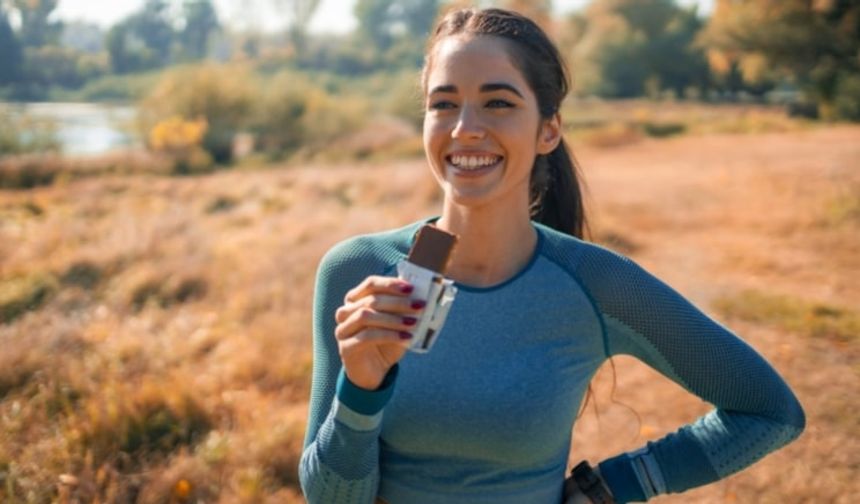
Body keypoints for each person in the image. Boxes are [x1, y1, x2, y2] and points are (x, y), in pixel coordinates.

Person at [299, 7, 805, 504]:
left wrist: (615, 486)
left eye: (498, 103)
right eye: (444, 104)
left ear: (549, 130)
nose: (464, 128)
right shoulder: (357, 271)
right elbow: (331, 499)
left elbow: (769, 412)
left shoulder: (596, 283)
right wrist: (361, 390)